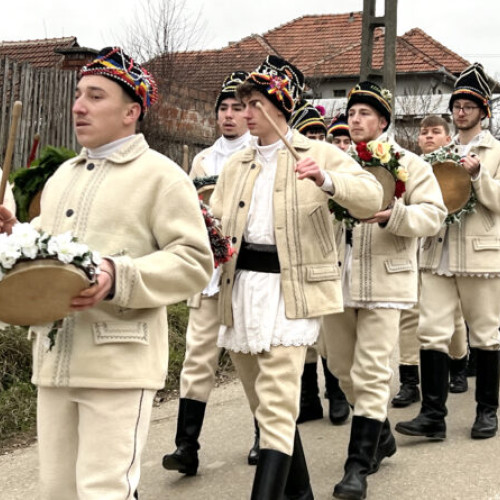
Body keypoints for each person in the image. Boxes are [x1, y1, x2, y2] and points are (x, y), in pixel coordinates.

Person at [0, 47, 213, 499]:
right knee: (56, 492)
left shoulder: (162, 176)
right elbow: (49, 257)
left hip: (119, 362)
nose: (79, 106)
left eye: (96, 96)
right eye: (79, 95)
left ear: (131, 112)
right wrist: (14, 233)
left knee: (104, 491)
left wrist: (118, 275)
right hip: (55, 362)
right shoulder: (61, 176)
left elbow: (195, 261)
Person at [210, 56, 383, 499]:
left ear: (280, 106)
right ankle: (300, 494)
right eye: (243, 104)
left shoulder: (319, 153)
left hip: (293, 293)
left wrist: (327, 180)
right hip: (241, 289)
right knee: (264, 404)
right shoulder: (237, 164)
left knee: (277, 402)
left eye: (255, 104)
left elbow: (371, 197)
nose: (246, 112)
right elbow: (217, 220)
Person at [321, 81, 446, 500]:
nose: (355, 120)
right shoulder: (336, 163)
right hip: (338, 280)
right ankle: (382, 436)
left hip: (386, 279)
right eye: (352, 113)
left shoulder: (410, 164)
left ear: (383, 121)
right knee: (342, 368)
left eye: (365, 114)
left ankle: (357, 466)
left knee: (372, 371)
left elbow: (433, 216)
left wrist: (395, 215)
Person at [396, 62, 500, 442]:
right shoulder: (441, 151)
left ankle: (487, 411)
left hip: (479, 254)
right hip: (437, 251)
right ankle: (432, 416)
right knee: (431, 330)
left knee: (485, 333)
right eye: (457, 105)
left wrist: (478, 175)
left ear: (483, 111)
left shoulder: (496, 151)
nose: (461, 111)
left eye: (469, 106)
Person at [162, 71, 257, 475]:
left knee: (250, 359)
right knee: (197, 357)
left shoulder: (258, 154)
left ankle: (265, 435)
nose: (230, 115)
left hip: (246, 272)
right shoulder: (203, 159)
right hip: (209, 274)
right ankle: (187, 446)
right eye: (224, 108)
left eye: (238, 107)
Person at [392, 115, 469, 407]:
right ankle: (409, 380)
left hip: (445, 245)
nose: (428, 137)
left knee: (453, 314)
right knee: (409, 313)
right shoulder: (408, 167)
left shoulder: (455, 166)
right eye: (424, 132)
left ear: (448, 138)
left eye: (435, 132)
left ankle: (458, 363)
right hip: (414, 246)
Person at [290, 101, 350, 426]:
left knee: (328, 334)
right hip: (297, 260)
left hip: (329, 260)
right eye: (308, 134)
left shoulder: (333, 168)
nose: (315, 140)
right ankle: (308, 398)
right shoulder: (285, 171)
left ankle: (337, 394)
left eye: (318, 134)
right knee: (304, 336)